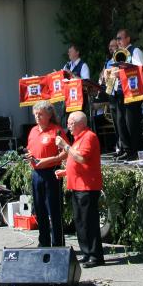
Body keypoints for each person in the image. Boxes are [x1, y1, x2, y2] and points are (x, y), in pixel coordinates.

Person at [55, 111, 104, 267]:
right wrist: (66, 172)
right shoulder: (77, 139)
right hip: (77, 186)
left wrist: (65, 146)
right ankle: (86, 253)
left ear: (81, 123)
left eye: (71, 123)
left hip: (87, 186)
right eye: (68, 123)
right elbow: (78, 163)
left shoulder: (89, 137)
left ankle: (95, 256)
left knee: (89, 222)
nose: (68, 126)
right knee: (80, 222)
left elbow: (82, 158)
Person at [26, 100, 68, 247]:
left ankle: (58, 244)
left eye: (40, 114)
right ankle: (43, 242)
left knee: (54, 210)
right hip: (36, 173)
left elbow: (65, 152)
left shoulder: (56, 130)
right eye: (35, 114)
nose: (37, 117)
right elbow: (30, 149)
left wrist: (48, 160)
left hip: (51, 173)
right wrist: (29, 156)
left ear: (49, 115)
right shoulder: (33, 131)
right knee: (39, 209)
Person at [107, 29, 143, 159]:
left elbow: (141, 69)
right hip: (119, 92)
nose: (118, 41)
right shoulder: (118, 53)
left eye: (120, 38)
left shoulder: (135, 51)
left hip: (132, 92)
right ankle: (127, 150)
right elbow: (115, 71)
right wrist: (109, 75)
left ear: (128, 39)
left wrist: (122, 72)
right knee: (121, 123)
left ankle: (136, 151)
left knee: (132, 123)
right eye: (117, 39)